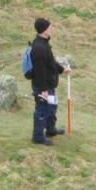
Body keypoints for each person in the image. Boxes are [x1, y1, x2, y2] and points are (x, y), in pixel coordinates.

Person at [27, 18, 65, 146]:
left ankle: (50, 130)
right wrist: (43, 90)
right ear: (44, 30)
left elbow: (51, 62)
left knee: (52, 106)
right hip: (42, 86)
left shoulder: (44, 43)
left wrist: (63, 69)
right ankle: (37, 137)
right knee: (42, 109)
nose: (52, 29)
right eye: (50, 27)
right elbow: (39, 71)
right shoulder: (39, 48)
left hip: (49, 84)